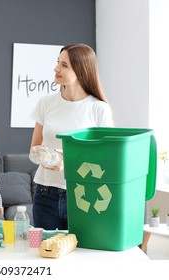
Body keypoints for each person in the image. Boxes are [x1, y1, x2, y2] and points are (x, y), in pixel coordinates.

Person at [29, 43, 114, 230]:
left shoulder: (99, 109)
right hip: (45, 192)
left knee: (82, 255)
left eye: (64, 65)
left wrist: (67, 162)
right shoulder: (46, 103)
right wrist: (45, 156)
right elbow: (34, 148)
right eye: (58, 62)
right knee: (46, 253)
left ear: (81, 70)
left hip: (82, 194)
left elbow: (105, 158)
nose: (56, 68)